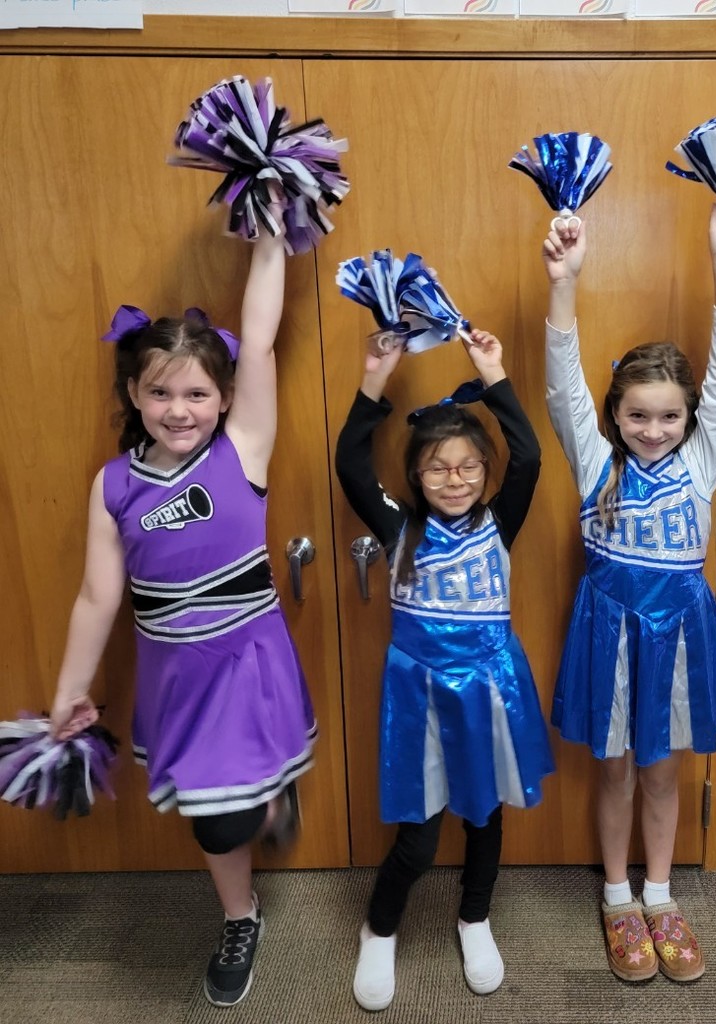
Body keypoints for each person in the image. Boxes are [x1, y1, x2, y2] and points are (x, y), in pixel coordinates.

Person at [49, 227, 316, 1008]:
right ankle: (241, 915)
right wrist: (70, 689)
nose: (179, 410)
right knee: (213, 821)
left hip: (248, 662)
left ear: (225, 397)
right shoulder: (114, 486)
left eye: (197, 393)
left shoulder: (244, 449)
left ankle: (268, 794)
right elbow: (97, 597)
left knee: (229, 811)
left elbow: (258, 340)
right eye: (160, 393)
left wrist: (271, 239)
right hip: (176, 677)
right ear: (134, 395)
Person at [542, 204, 716, 982]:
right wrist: (563, 282)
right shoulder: (596, 462)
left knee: (664, 771)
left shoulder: (701, 462)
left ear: (690, 418)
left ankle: (660, 895)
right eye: (638, 414)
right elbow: (562, 382)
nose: (653, 429)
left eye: (669, 416)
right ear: (615, 413)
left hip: (680, 634)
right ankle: (617, 897)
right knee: (616, 770)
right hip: (610, 633)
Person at [335, 329, 553, 1012]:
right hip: (419, 695)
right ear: (415, 476)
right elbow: (349, 463)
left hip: (488, 687)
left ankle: (475, 917)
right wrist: (375, 376)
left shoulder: (500, 522)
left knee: (485, 818)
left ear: (484, 471)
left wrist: (492, 372)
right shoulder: (399, 528)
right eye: (437, 470)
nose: (454, 481)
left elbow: (529, 455)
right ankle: (380, 929)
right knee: (420, 836)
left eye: (467, 468)